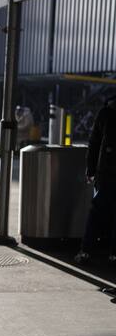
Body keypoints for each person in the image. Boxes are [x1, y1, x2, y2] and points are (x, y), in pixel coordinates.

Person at [75, 96, 116, 265]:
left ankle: (86, 251)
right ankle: (113, 254)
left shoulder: (105, 112)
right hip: (106, 171)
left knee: (97, 211)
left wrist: (90, 169)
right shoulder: (105, 113)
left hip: (105, 171)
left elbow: (94, 143)